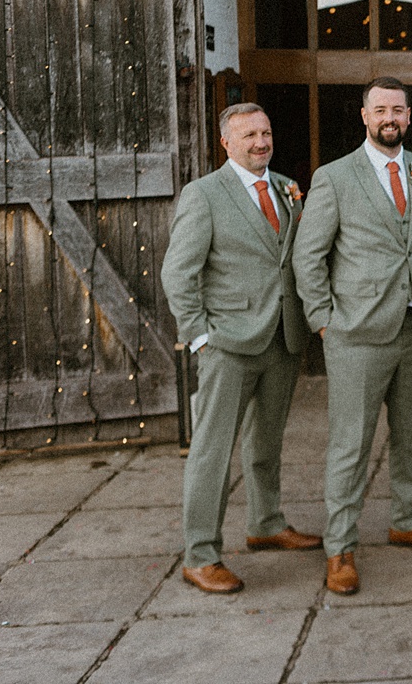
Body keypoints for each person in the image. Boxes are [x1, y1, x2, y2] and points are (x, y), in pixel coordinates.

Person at [293, 77, 412, 597]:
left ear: (410, 117)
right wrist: (324, 319)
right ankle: (339, 546)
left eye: (399, 110)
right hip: (358, 333)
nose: (391, 118)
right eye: (380, 109)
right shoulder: (335, 177)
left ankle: (407, 520)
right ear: (364, 116)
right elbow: (308, 256)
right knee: (351, 443)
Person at [162, 103, 322, 594]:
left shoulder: (285, 190)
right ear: (226, 143)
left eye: (266, 132)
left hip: (282, 337)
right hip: (228, 343)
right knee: (212, 451)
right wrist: (201, 336)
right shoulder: (204, 194)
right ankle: (200, 554)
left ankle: (266, 524)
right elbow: (177, 272)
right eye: (249, 135)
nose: (260, 142)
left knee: (266, 442)